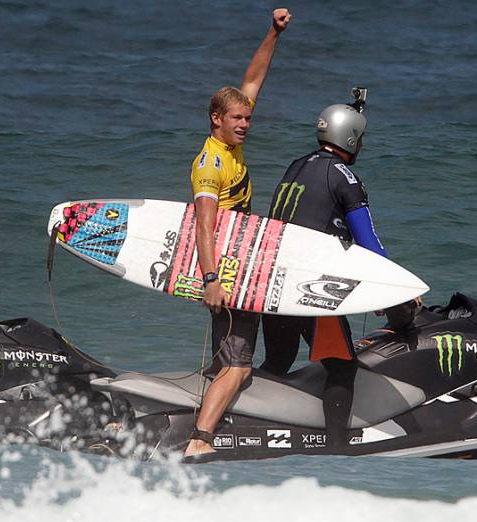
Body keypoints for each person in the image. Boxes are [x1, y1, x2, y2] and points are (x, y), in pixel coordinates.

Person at [183, 7, 291, 458]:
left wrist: (273, 33)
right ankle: (199, 441)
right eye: (237, 120)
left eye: (248, 119)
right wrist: (212, 280)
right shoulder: (211, 164)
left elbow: (252, 82)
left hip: (241, 263)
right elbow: (203, 224)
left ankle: (198, 415)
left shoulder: (231, 143)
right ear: (216, 120)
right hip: (225, 271)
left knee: (232, 360)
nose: (245, 124)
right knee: (239, 365)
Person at [261, 88, 390, 449]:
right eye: (359, 138)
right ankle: (335, 449)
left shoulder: (296, 166)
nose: (361, 145)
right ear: (348, 137)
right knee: (342, 366)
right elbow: (368, 241)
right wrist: (394, 291)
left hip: (274, 282)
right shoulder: (344, 177)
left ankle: (241, 421)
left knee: (278, 360)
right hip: (310, 289)